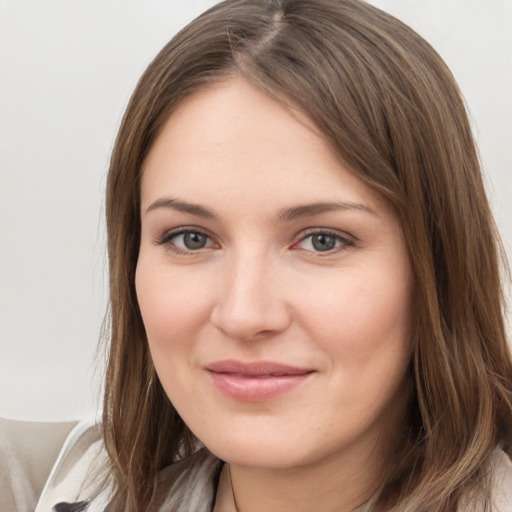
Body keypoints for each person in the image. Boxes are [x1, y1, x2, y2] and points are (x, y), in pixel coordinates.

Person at [2, 0, 512, 511]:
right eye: (191, 238)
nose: (244, 315)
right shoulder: (46, 487)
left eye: (322, 240)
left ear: (440, 267)